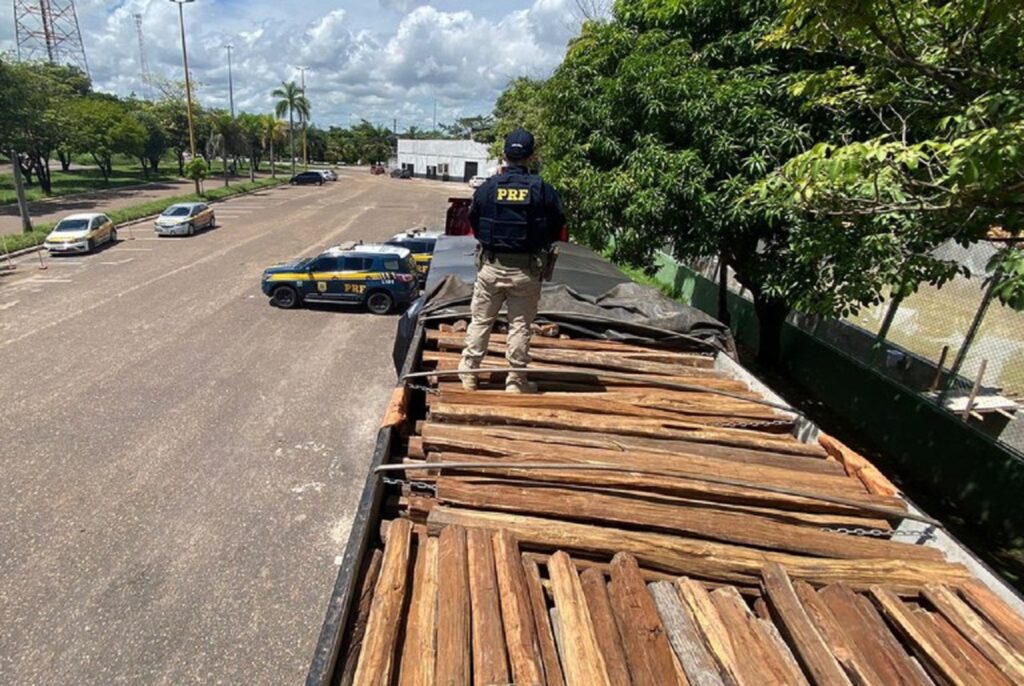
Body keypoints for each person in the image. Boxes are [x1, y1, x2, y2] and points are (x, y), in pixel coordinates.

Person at [458, 128, 566, 393]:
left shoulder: (488, 187)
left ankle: (469, 375)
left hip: (491, 267)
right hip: (526, 271)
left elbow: (474, 219)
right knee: (520, 326)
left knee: (481, 321)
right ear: (532, 156)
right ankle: (516, 382)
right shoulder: (543, 189)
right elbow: (558, 224)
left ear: (504, 154)